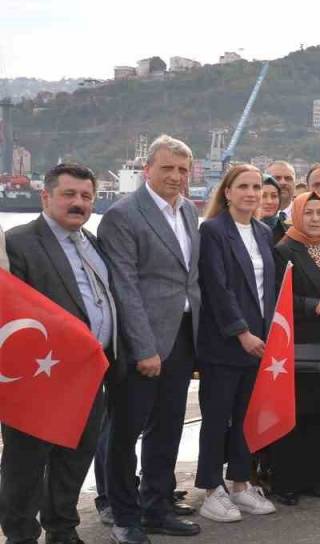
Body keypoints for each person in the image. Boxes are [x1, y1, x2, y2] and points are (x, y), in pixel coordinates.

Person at [1, 163, 120, 544]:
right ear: (46, 196)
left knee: (75, 456)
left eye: (86, 196)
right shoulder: (18, 242)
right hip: (40, 377)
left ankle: (62, 530)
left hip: (89, 375)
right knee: (26, 463)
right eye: (69, 194)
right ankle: (20, 535)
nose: (78, 203)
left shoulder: (93, 243)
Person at [99, 135, 203, 543]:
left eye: (182, 169)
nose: (175, 177)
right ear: (148, 170)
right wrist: (144, 349)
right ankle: (124, 517)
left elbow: (188, 278)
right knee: (125, 433)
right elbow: (124, 287)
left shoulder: (190, 213)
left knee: (168, 429)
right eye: (167, 168)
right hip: (140, 344)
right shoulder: (123, 216)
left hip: (181, 337)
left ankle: (156, 507)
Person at [194, 164, 278, 523]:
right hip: (225, 344)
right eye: (243, 186)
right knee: (216, 417)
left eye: (256, 186)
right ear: (227, 192)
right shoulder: (212, 231)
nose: (251, 192)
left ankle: (241, 483)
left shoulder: (262, 231)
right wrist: (241, 332)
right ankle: (212, 489)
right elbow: (217, 287)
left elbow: (267, 289)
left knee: (247, 416)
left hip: (259, 343)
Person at [270, 192, 320, 506]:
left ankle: (314, 478)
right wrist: (316, 306)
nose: (314, 219)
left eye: (319, 213)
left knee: (318, 412)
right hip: (296, 344)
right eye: (308, 212)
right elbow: (278, 299)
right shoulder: (285, 250)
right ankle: (285, 482)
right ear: (296, 215)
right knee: (294, 413)